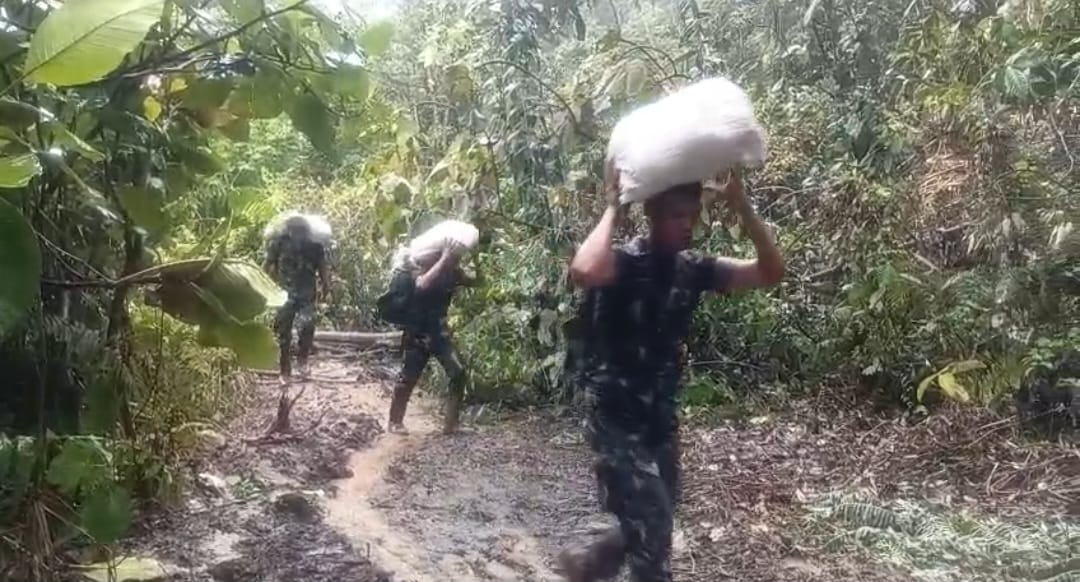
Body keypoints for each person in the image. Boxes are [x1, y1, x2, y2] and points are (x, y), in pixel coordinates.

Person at [558, 168, 784, 582]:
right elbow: (585, 270)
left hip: (659, 423)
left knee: (651, 515)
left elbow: (769, 272)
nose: (688, 226)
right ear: (654, 216)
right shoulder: (624, 263)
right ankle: (603, 560)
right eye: (678, 217)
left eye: (693, 216)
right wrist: (614, 205)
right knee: (656, 529)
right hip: (615, 422)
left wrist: (743, 205)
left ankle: (591, 560)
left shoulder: (693, 268)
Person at [386, 242, 478, 435]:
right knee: (408, 378)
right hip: (417, 334)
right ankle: (395, 422)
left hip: (439, 334)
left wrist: (476, 257)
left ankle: (451, 424)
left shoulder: (452, 273)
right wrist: (444, 259)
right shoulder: (417, 271)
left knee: (458, 373)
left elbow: (478, 281)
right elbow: (422, 285)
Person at [263, 215, 331, 383]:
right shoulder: (278, 243)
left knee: (307, 328)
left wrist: (327, 288)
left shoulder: (315, 247)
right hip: (283, 295)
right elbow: (267, 265)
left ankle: (303, 362)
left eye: (301, 230)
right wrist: (261, 285)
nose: (298, 233)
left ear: (307, 231)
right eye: (294, 230)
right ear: (288, 230)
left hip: (307, 295)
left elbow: (323, 269)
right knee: (283, 333)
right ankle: (285, 369)